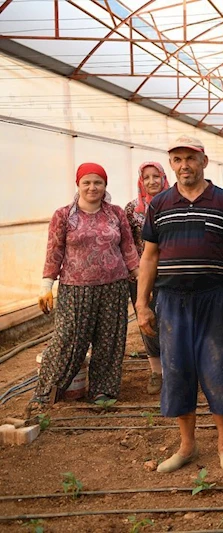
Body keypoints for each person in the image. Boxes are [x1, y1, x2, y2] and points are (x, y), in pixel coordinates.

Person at [137, 135, 223, 472]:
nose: (183, 165)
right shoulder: (159, 204)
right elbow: (149, 257)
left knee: (217, 368)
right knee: (176, 371)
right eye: (177, 159)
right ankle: (187, 446)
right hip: (171, 301)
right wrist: (142, 304)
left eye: (190, 158)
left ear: (204, 162)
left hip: (214, 298)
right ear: (172, 164)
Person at [26, 163, 139, 417]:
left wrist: (141, 279)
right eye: (87, 182)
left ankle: (103, 391)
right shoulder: (64, 215)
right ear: (78, 184)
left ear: (105, 186)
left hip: (114, 286)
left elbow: (129, 249)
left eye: (98, 182)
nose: (92, 187)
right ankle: (48, 391)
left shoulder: (116, 214)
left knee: (109, 340)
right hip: (76, 289)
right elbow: (54, 251)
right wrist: (46, 285)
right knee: (68, 339)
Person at [125, 162, 169, 395]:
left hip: (172, 274)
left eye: (156, 176)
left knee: (173, 320)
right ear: (141, 181)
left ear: (164, 178)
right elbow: (127, 244)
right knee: (148, 323)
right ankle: (156, 372)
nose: (152, 181)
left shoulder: (175, 203)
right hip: (141, 276)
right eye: (147, 177)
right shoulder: (132, 209)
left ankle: (175, 370)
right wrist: (139, 273)